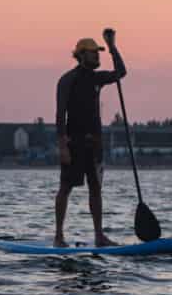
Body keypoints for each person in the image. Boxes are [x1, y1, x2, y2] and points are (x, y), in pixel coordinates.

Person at [54, 28, 127, 247]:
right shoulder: (68, 80)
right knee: (66, 187)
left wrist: (113, 47)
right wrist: (62, 145)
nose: (97, 56)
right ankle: (59, 236)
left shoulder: (96, 78)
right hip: (73, 143)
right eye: (93, 53)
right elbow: (60, 114)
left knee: (96, 188)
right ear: (81, 55)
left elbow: (121, 72)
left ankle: (99, 236)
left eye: (98, 53)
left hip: (94, 143)